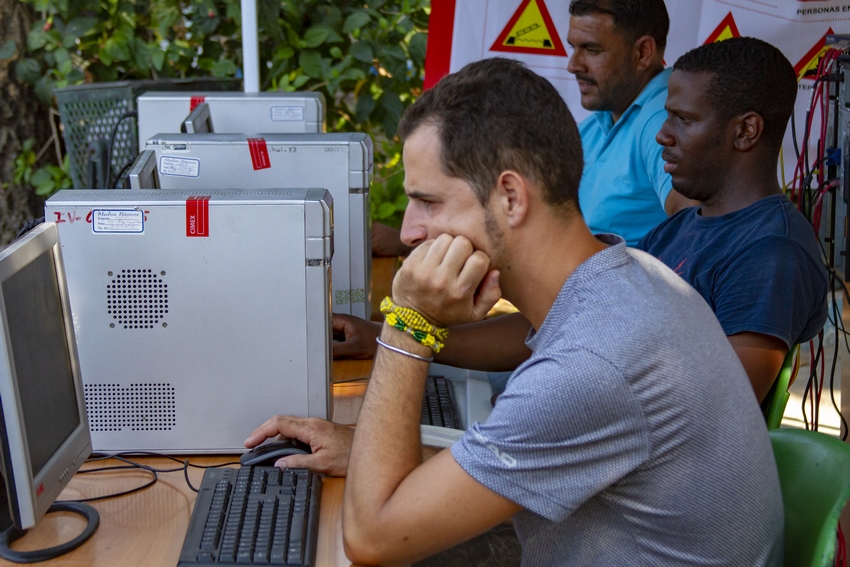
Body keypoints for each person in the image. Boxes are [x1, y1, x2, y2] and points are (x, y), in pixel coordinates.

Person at [247, 57, 783, 565]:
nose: (409, 231)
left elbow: (372, 535)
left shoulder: (595, 360)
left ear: (510, 196)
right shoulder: (628, 279)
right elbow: (545, 458)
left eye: (428, 202)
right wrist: (369, 446)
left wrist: (409, 323)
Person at [333, 0, 694, 361]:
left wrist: (648, 322)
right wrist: (397, 328)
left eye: (592, 49)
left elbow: (695, 229)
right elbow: (547, 316)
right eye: (572, 47)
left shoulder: (657, 119)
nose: (573, 64)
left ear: (644, 51)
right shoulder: (601, 122)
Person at [637, 37, 828, 403]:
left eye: (685, 119)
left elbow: (721, 405)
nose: (663, 134)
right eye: (668, 114)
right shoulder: (675, 230)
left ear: (745, 131)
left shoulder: (771, 252)